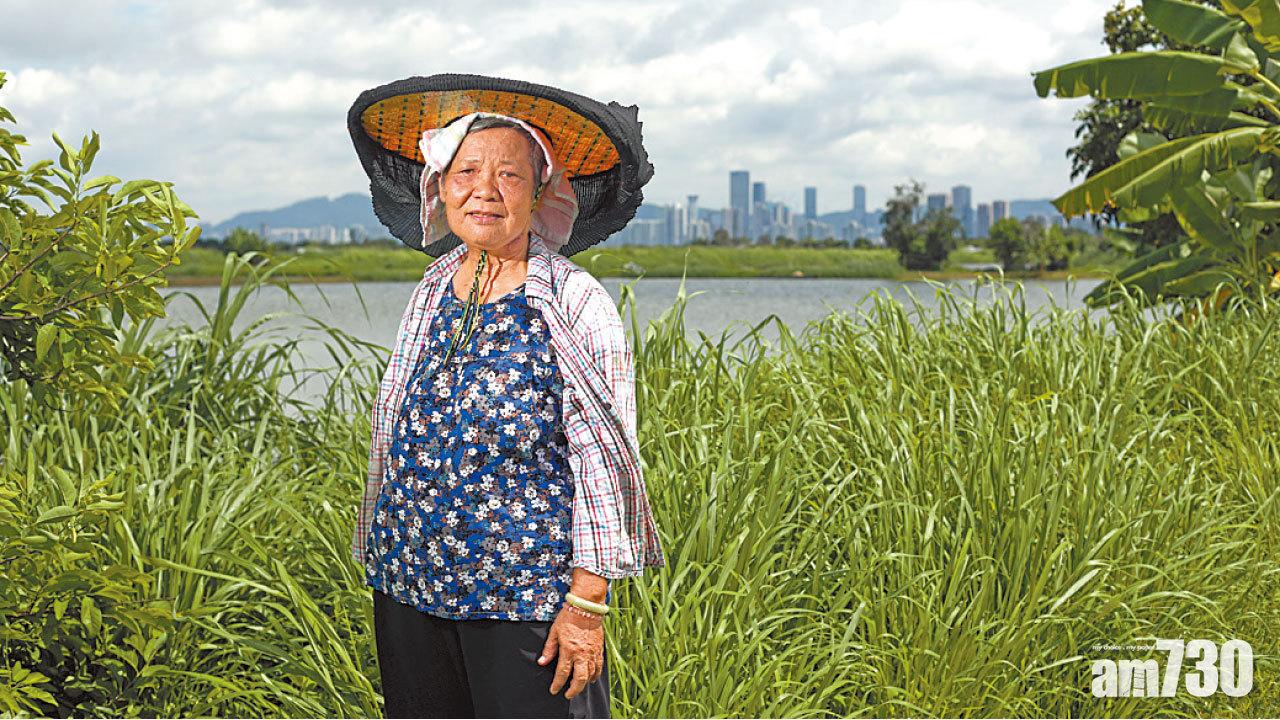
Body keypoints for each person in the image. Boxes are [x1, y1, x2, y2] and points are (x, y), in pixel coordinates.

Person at [347, 74, 664, 720]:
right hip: (411, 586)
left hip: (524, 602)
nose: (484, 190)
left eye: (509, 175)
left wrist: (587, 604)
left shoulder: (575, 300)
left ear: (541, 191)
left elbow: (603, 460)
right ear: (440, 185)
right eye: (466, 171)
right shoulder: (433, 288)